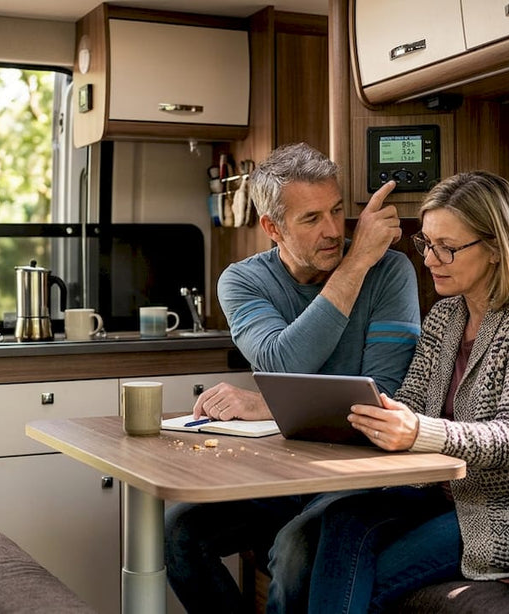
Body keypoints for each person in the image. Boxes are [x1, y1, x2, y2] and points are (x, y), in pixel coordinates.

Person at [301, 170, 509, 613]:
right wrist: (366, 419)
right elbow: (411, 402)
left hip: (498, 513)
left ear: (495, 247)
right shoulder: (445, 316)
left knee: (364, 581)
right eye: (426, 244)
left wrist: (417, 433)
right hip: (433, 494)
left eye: (447, 248)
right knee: (340, 521)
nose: (430, 260)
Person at [164, 142, 421, 614]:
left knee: (297, 548)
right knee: (179, 529)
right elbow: (282, 361)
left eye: (338, 211)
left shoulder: (389, 271)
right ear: (271, 228)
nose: (333, 231)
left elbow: (384, 392)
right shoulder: (242, 281)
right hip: (283, 472)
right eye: (311, 219)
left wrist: (269, 404)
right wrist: (354, 265)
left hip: (360, 475)